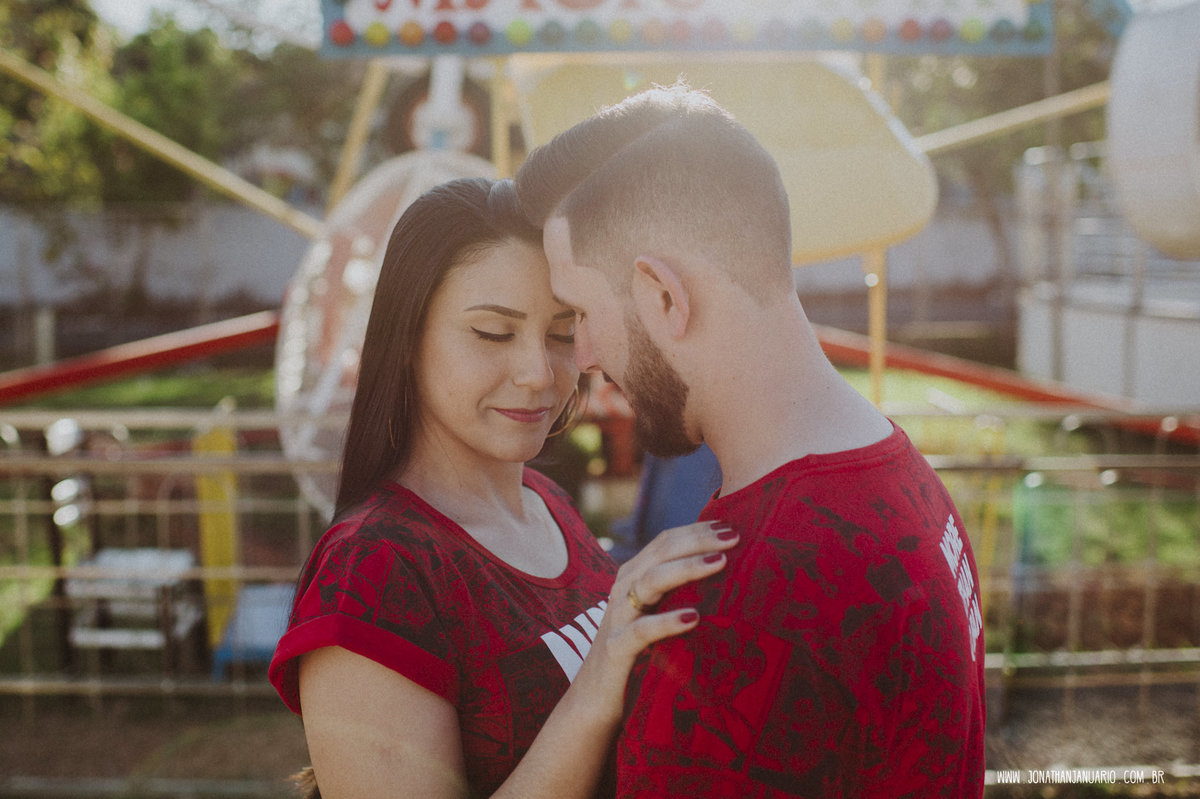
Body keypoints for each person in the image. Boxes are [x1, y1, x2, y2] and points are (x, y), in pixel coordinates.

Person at [514, 83, 987, 797]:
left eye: (581, 311)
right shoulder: (902, 474)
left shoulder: (732, 615)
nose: (581, 354)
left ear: (663, 296)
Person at [268, 177, 739, 799]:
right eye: (493, 333)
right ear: (406, 339)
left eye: (563, 333)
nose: (538, 372)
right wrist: (596, 687)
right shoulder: (376, 567)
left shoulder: (548, 505)